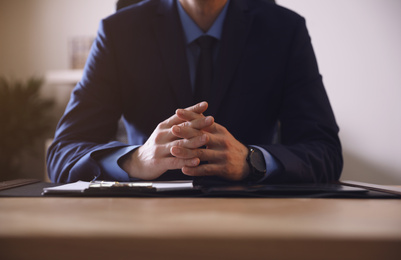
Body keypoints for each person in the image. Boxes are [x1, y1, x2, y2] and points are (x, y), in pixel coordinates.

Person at [47, 0, 343, 184]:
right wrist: (134, 160)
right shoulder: (118, 32)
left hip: (254, 220)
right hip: (142, 222)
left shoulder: (285, 30)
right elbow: (63, 152)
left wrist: (253, 160)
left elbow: (325, 151)